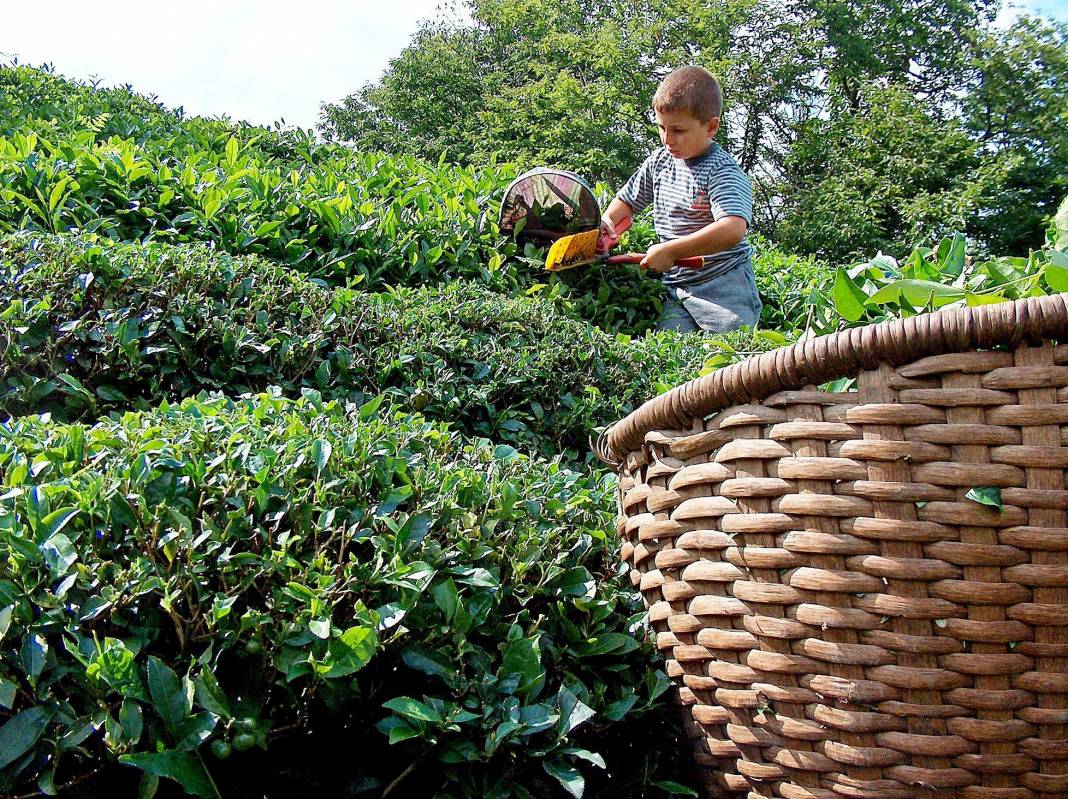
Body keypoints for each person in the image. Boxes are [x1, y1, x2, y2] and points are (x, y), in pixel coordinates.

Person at [599, 66, 762, 333]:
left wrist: (672, 251)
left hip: (725, 286)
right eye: (661, 128)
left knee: (731, 360)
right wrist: (607, 222)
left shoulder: (722, 171)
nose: (667, 139)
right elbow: (627, 202)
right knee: (673, 354)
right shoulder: (660, 162)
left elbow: (733, 228)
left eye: (678, 130)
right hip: (677, 287)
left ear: (711, 127)